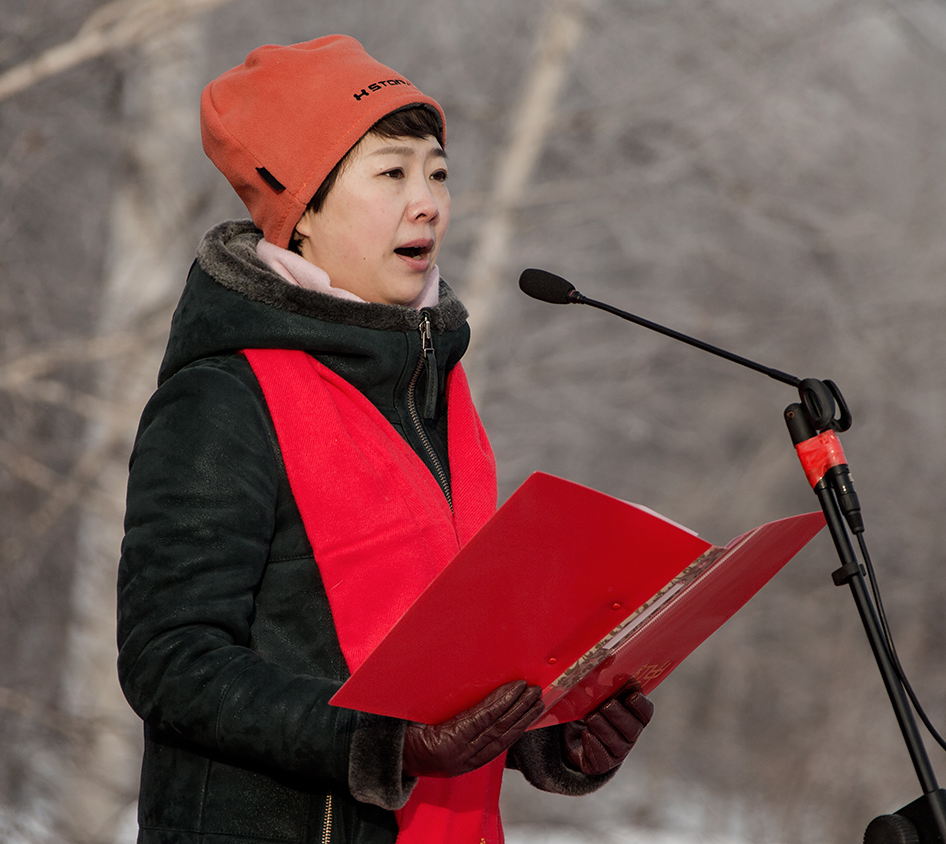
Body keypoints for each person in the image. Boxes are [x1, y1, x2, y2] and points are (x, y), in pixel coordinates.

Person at [116, 34, 653, 844]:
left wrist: (554, 737)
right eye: (392, 172)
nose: (428, 200)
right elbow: (171, 661)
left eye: (438, 172)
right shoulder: (221, 396)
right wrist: (383, 746)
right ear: (303, 213)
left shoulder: (438, 391)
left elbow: (450, 659)